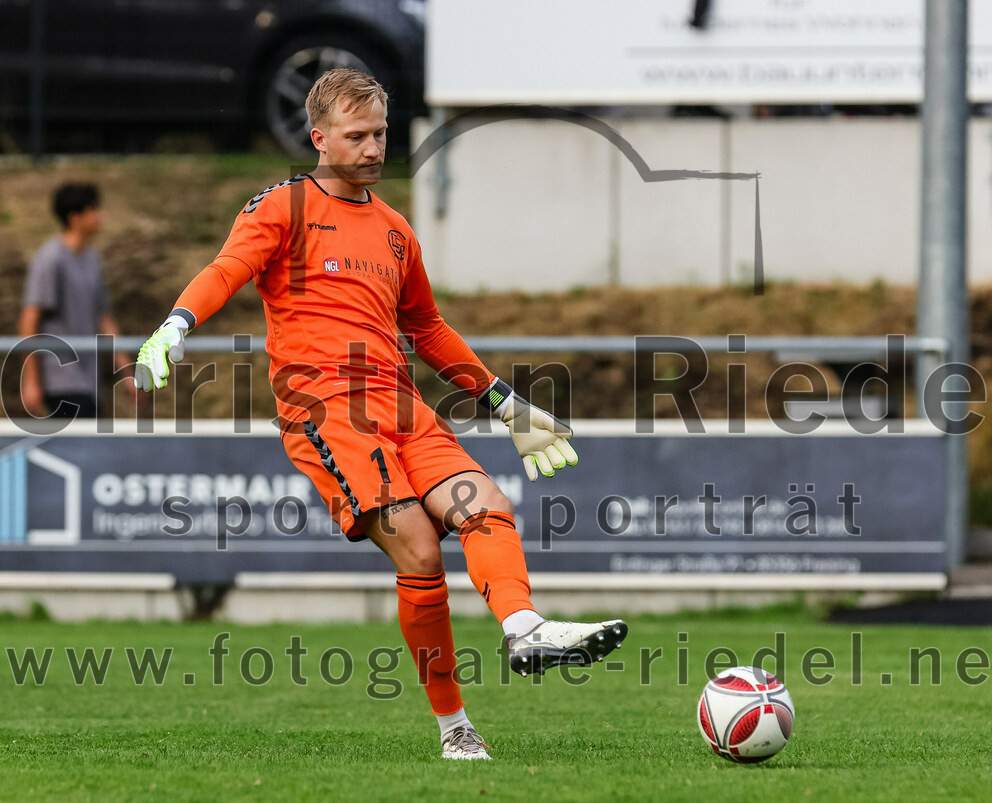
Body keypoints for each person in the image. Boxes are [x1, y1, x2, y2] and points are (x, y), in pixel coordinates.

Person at [134, 68, 626, 760]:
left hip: (402, 407)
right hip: (328, 410)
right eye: (357, 135)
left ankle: (525, 629)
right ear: (319, 137)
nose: (372, 148)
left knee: (486, 505)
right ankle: (455, 728)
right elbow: (227, 269)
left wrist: (505, 400)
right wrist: (176, 323)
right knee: (420, 548)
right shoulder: (285, 206)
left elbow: (428, 328)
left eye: (380, 134)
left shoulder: (396, 231)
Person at [19, 182, 137, 418]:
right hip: (60, 382)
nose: (99, 215)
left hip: (90, 384)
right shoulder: (50, 259)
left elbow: (104, 318)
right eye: (93, 209)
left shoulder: (92, 260)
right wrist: (31, 381)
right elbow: (29, 319)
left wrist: (128, 373)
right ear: (74, 217)